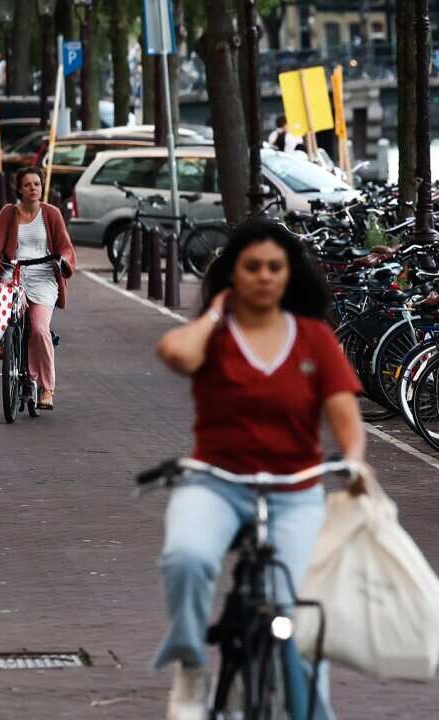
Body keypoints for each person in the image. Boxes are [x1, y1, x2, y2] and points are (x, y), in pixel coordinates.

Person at [153, 218, 369, 720]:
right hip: (216, 483)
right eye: (252, 267)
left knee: (293, 618)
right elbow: (175, 353)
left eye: (276, 267)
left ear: (290, 275)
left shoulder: (315, 339)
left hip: (295, 492)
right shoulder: (214, 335)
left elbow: (346, 420)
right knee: (187, 559)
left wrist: (355, 462)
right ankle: (189, 667)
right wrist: (216, 311)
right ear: (235, 274)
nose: (265, 276)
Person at [0, 167, 76, 410]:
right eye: (28, 184)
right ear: (18, 188)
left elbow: (66, 248)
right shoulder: (9, 213)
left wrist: (63, 262)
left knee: (40, 330)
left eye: (37, 184)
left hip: (43, 277)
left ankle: (47, 387)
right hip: (15, 272)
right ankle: (3, 342)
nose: (33, 188)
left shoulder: (52, 214)